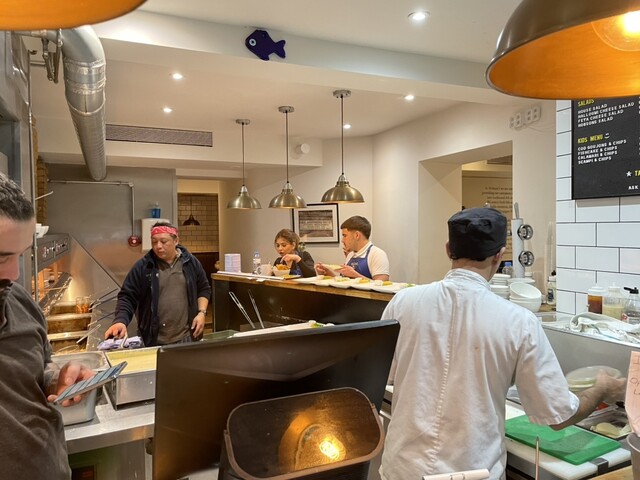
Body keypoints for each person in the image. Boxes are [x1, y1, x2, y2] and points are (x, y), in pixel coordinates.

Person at [379, 207, 626, 480]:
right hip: (472, 471)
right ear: (499, 255)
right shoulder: (519, 321)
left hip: (402, 468)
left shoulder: (403, 302)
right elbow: (559, 415)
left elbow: (385, 377)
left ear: (448, 249)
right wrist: (602, 388)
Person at [0, 172, 95, 479]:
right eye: (1, 258)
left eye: (19, 256)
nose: (14, 274)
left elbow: (41, 366)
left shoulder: (19, 301)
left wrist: (58, 379)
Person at [105, 222, 212, 346]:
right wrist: (120, 321)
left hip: (187, 337)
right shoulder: (144, 267)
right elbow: (127, 296)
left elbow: (204, 288)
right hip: (155, 340)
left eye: (163, 241)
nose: (158, 246)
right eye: (154, 242)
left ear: (176, 241)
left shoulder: (190, 262)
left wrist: (201, 313)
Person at [316, 215, 389, 280]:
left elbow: (381, 286)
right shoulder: (350, 255)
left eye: (345, 236)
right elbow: (343, 282)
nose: (342, 240)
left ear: (357, 235)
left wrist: (355, 275)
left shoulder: (377, 254)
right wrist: (326, 272)